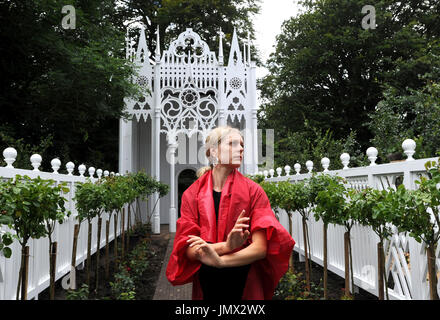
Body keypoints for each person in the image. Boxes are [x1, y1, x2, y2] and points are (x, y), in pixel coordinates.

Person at [166, 125, 295, 300]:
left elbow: (260, 248)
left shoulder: (254, 191)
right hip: (206, 283)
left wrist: (219, 261)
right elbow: (187, 249)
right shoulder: (192, 194)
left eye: (242, 145)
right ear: (213, 151)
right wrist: (227, 246)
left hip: (245, 281)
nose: (241, 148)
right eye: (233, 143)